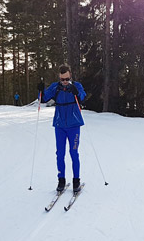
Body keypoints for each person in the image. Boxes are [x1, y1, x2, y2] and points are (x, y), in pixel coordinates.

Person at [41, 65, 86, 193]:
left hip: (74, 125)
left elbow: (83, 96)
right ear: (59, 78)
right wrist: (41, 89)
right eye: (62, 79)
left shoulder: (76, 85)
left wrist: (75, 91)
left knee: (74, 153)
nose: (65, 82)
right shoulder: (56, 86)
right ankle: (61, 180)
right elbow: (44, 98)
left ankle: (76, 180)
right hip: (60, 125)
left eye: (66, 79)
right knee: (60, 154)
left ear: (70, 75)